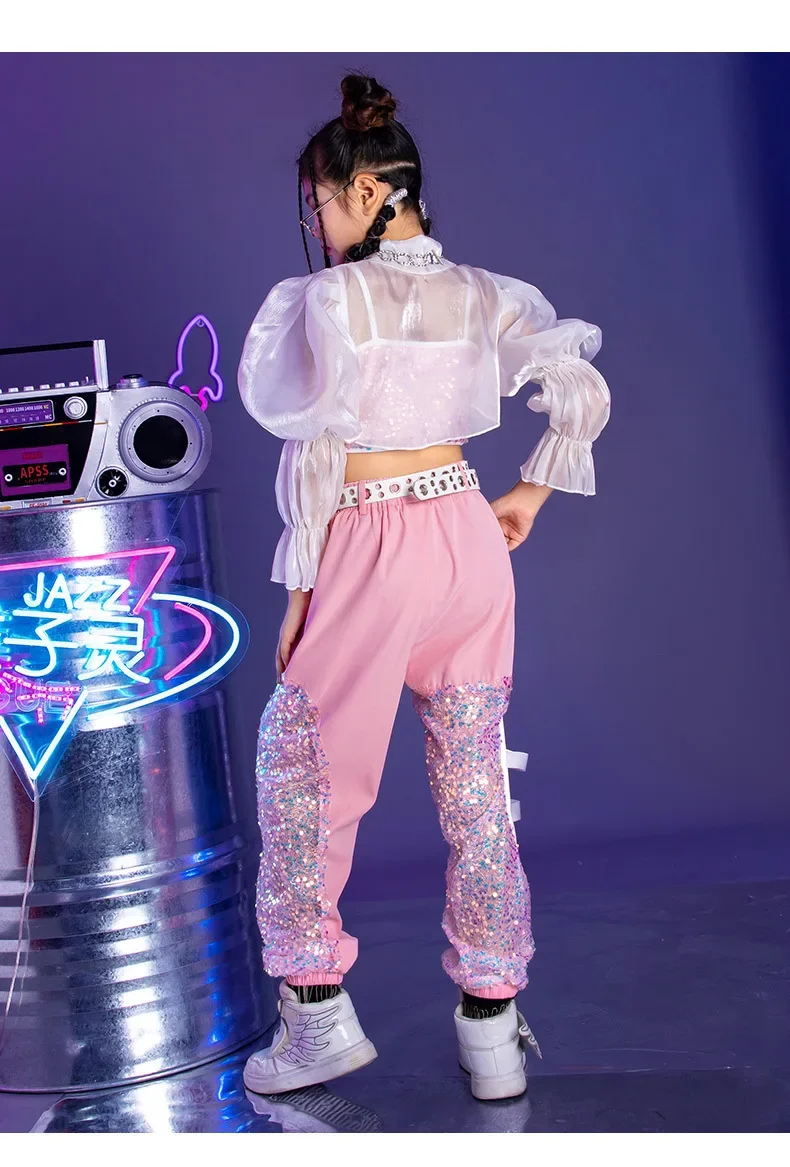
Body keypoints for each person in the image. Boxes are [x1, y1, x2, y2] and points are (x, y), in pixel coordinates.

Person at [237, 71, 611, 1103]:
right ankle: (493, 1027)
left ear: (364, 191)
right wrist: (527, 494)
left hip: (369, 543)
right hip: (466, 533)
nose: (317, 223)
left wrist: (300, 591)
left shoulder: (331, 298)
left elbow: (316, 456)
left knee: (305, 771)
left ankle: (316, 1016)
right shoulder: (486, 292)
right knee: (477, 781)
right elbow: (577, 386)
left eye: (318, 202)